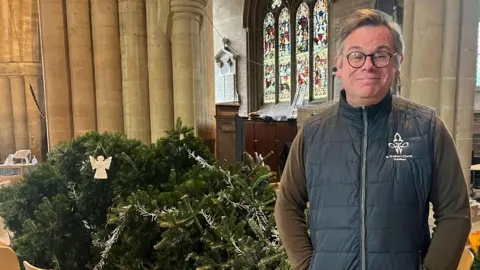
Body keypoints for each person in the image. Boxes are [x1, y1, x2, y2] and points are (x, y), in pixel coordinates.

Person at [274, 8, 471, 270]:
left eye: (380, 55)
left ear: (397, 63)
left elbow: (455, 213)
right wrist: (307, 264)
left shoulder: (427, 128)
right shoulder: (312, 133)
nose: (368, 64)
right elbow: (287, 204)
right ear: (340, 65)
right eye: (356, 55)